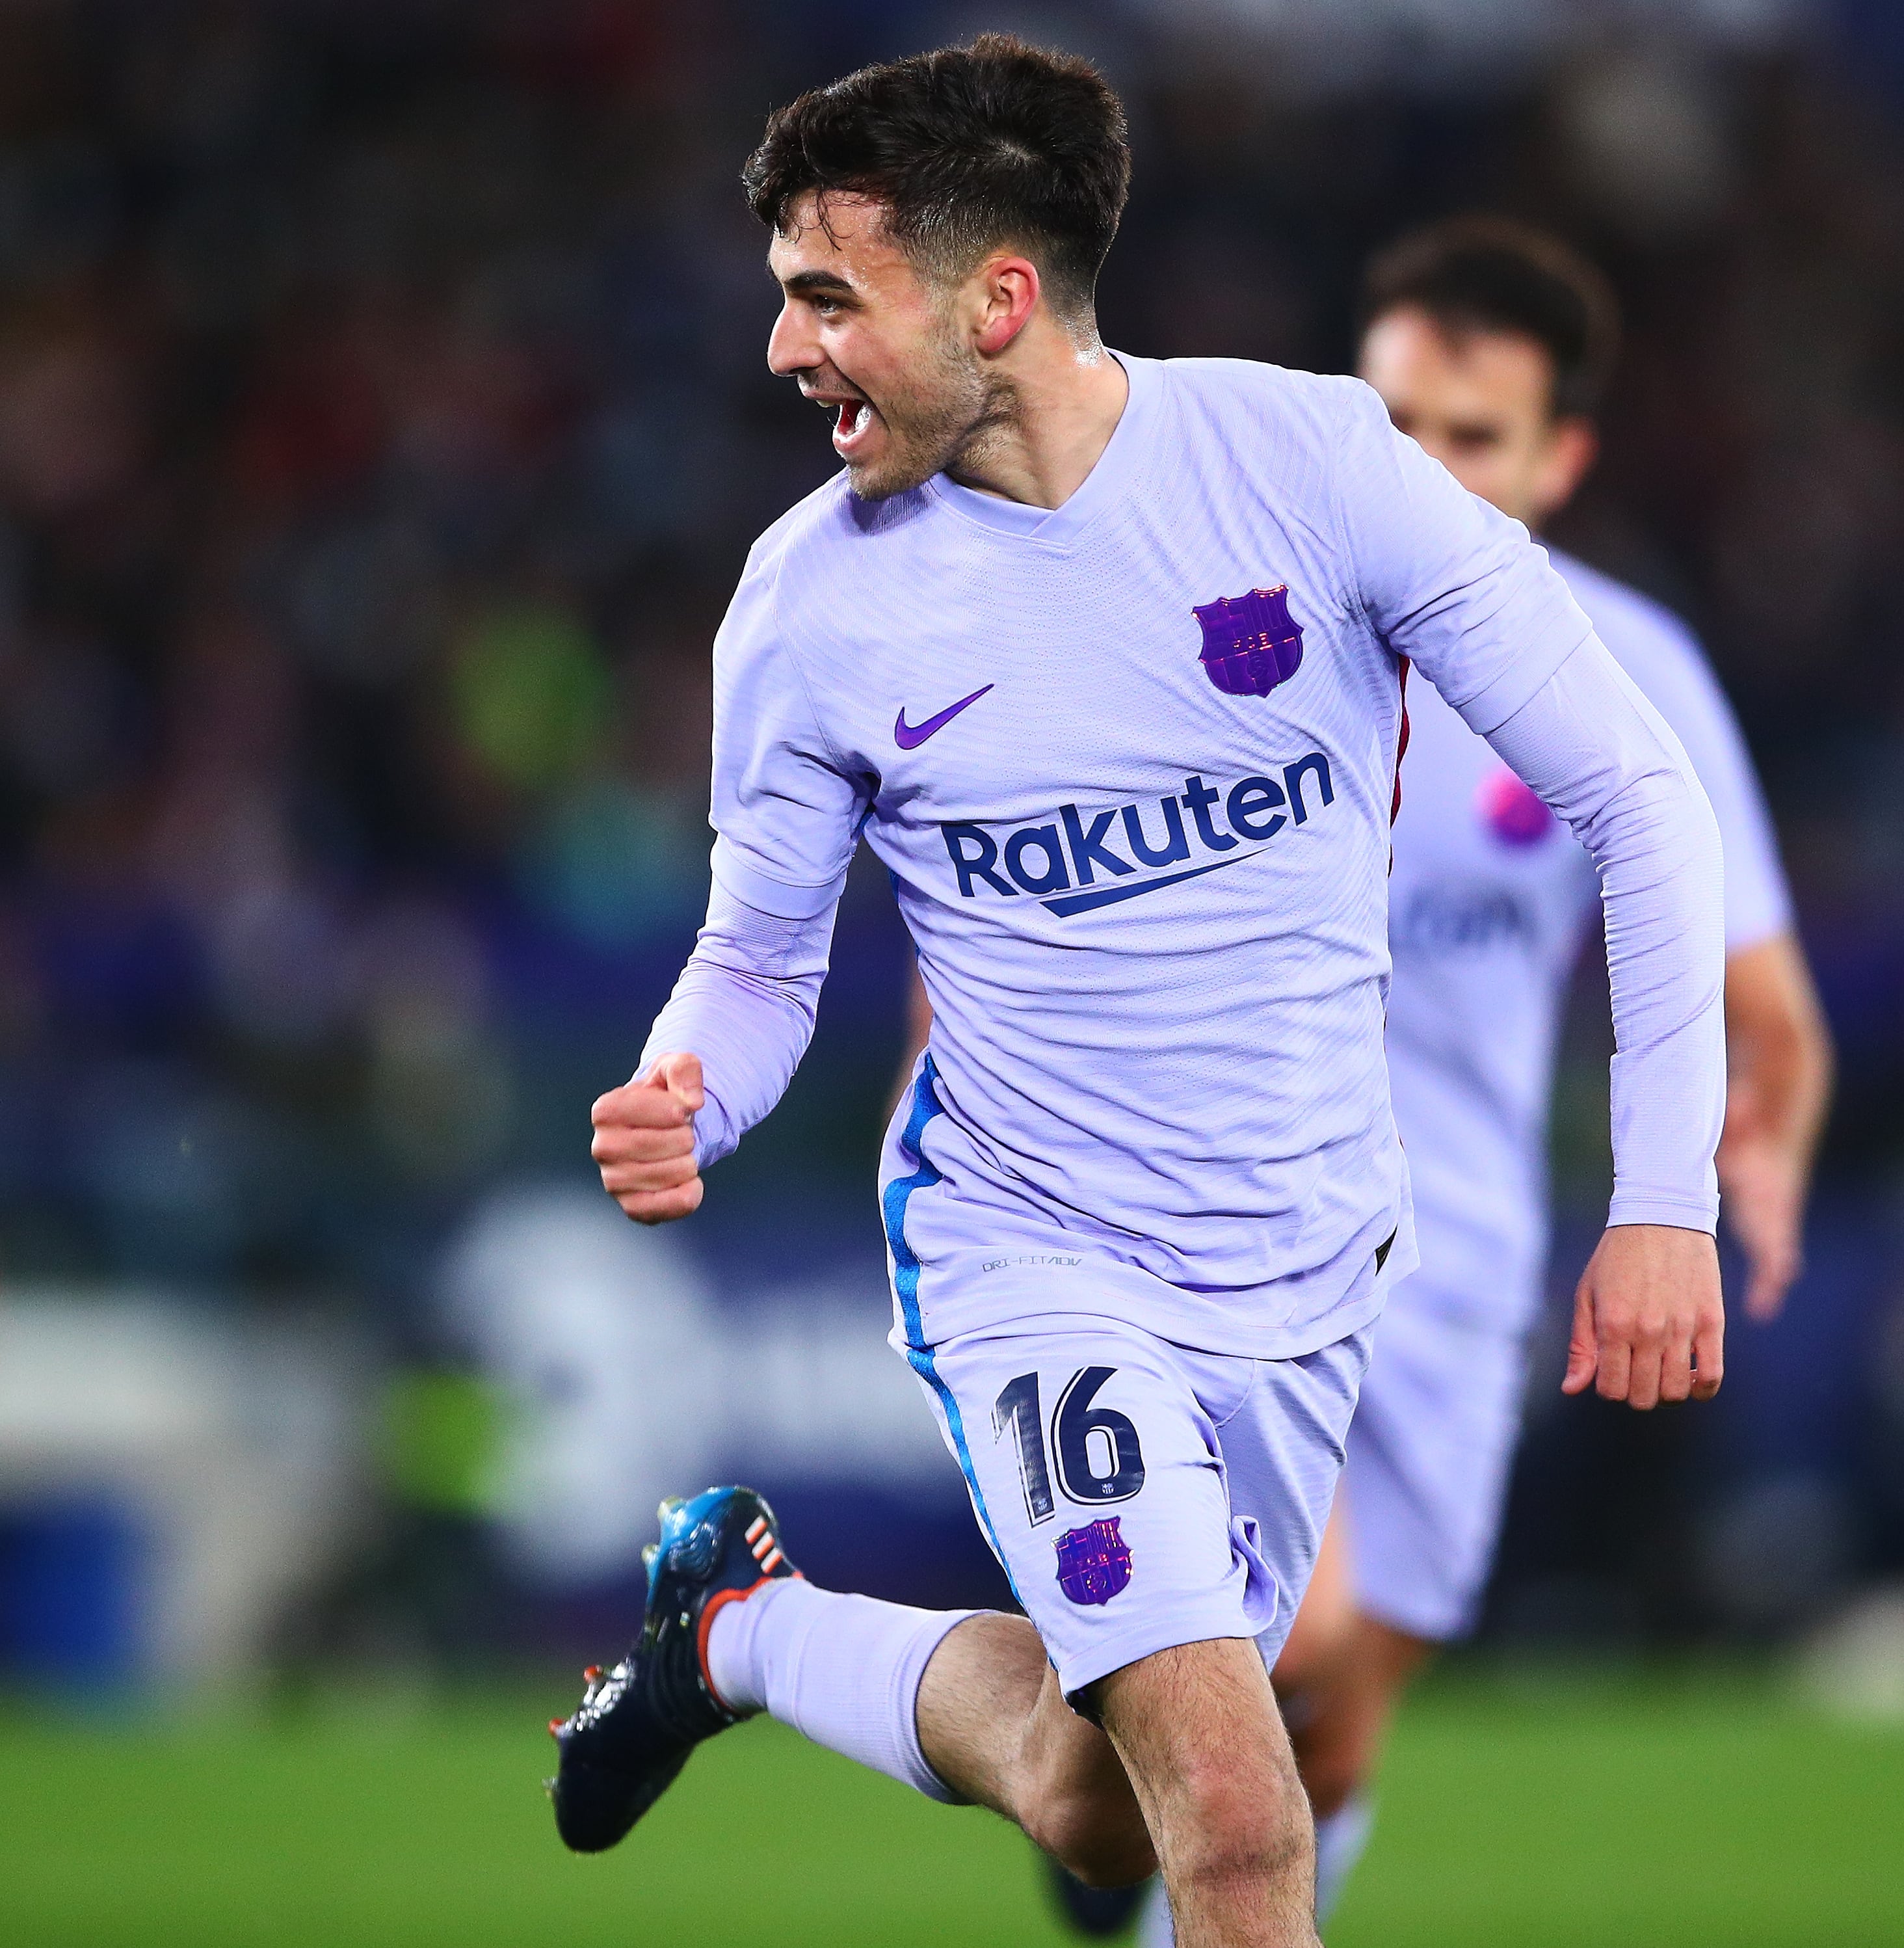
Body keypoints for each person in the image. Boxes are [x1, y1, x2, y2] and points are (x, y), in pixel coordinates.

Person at [557, 41, 1732, 1948]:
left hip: (1302, 1252)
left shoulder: (1312, 469)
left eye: (828, 297)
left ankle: (741, 1630)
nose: (786, 349)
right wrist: (695, 1079)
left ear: (997, 301)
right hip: (1033, 1248)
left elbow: (1634, 791)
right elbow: (763, 956)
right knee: (1243, 1829)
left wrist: (1663, 1192)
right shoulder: (809, 606)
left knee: (1101, 1809)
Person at [1009, 217, 1840, 1943]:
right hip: (1216, 1239)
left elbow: (1769, 1009)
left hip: (1459, 1276)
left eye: (1477, 440)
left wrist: (1753, 1143)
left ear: (1562, 458)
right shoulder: (1220, 638)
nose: (1431, 473)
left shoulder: (1628, 677)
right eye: (1397, 428)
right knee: (1282, 1643)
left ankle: (1077, 1795)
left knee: (1338, 1714)